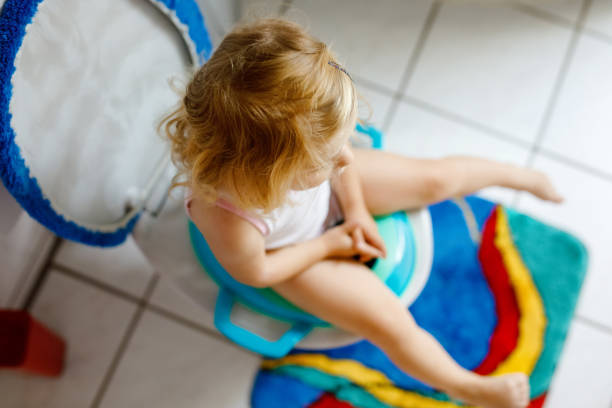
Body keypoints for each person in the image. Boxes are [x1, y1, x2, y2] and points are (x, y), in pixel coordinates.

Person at [159, 17, 563, 408]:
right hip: (293, 255)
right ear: (272, 172)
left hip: (324, 202)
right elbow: (258, 272)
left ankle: (516, 175)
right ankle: (470, 388)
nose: (346, 156)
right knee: (388, 321)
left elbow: (344, 164)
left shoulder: (307, 144)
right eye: (328, 156)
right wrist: (328, 244)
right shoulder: (227, 214)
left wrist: (355, 210)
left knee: (433, 180)